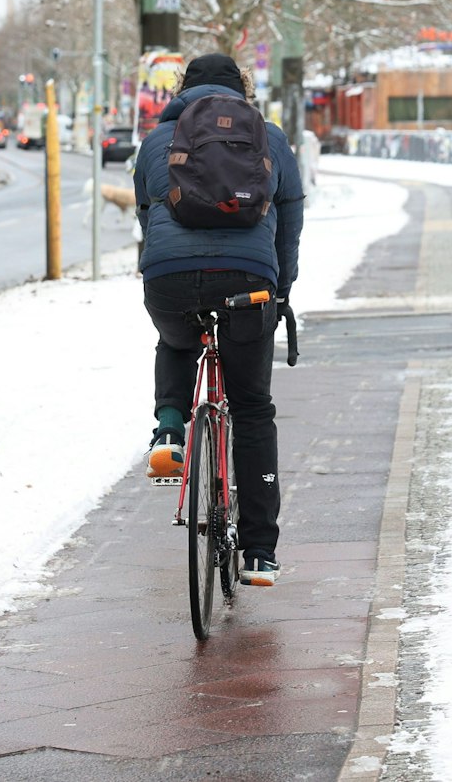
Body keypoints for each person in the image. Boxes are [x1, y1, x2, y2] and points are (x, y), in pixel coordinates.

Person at [134, 53, 305, 588]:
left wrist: (169, 265)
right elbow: (290, 218)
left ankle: (169, 428)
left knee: (177, 338)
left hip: (169, 275)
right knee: (252, 409)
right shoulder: (269, 137)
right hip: (249, 281)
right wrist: (281, 288)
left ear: (184, 89)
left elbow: (148, 213)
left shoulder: (157, 141)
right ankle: (258, 552)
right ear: (244, 91)